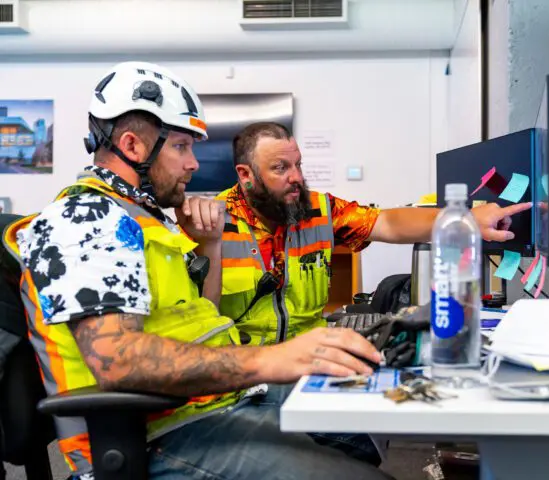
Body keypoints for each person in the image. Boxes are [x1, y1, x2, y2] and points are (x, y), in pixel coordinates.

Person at [2, 62, 391, 480]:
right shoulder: (85, 218)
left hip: (208, 403)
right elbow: (117, 361)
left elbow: (195, 322)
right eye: (182, 147)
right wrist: (271, 359)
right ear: (133, 146)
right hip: (157, 435)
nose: (193, 163)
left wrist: (208, 244)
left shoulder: (143, 219)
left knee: (365, 419)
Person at [215, 122, 531, 346]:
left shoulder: (319, 209)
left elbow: (387, 223)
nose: (297, 177)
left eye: (298, 164)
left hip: (310, 356)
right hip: (247, 372)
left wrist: (465, 219)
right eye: (281, 168)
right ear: (246, 176)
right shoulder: (212, 224)